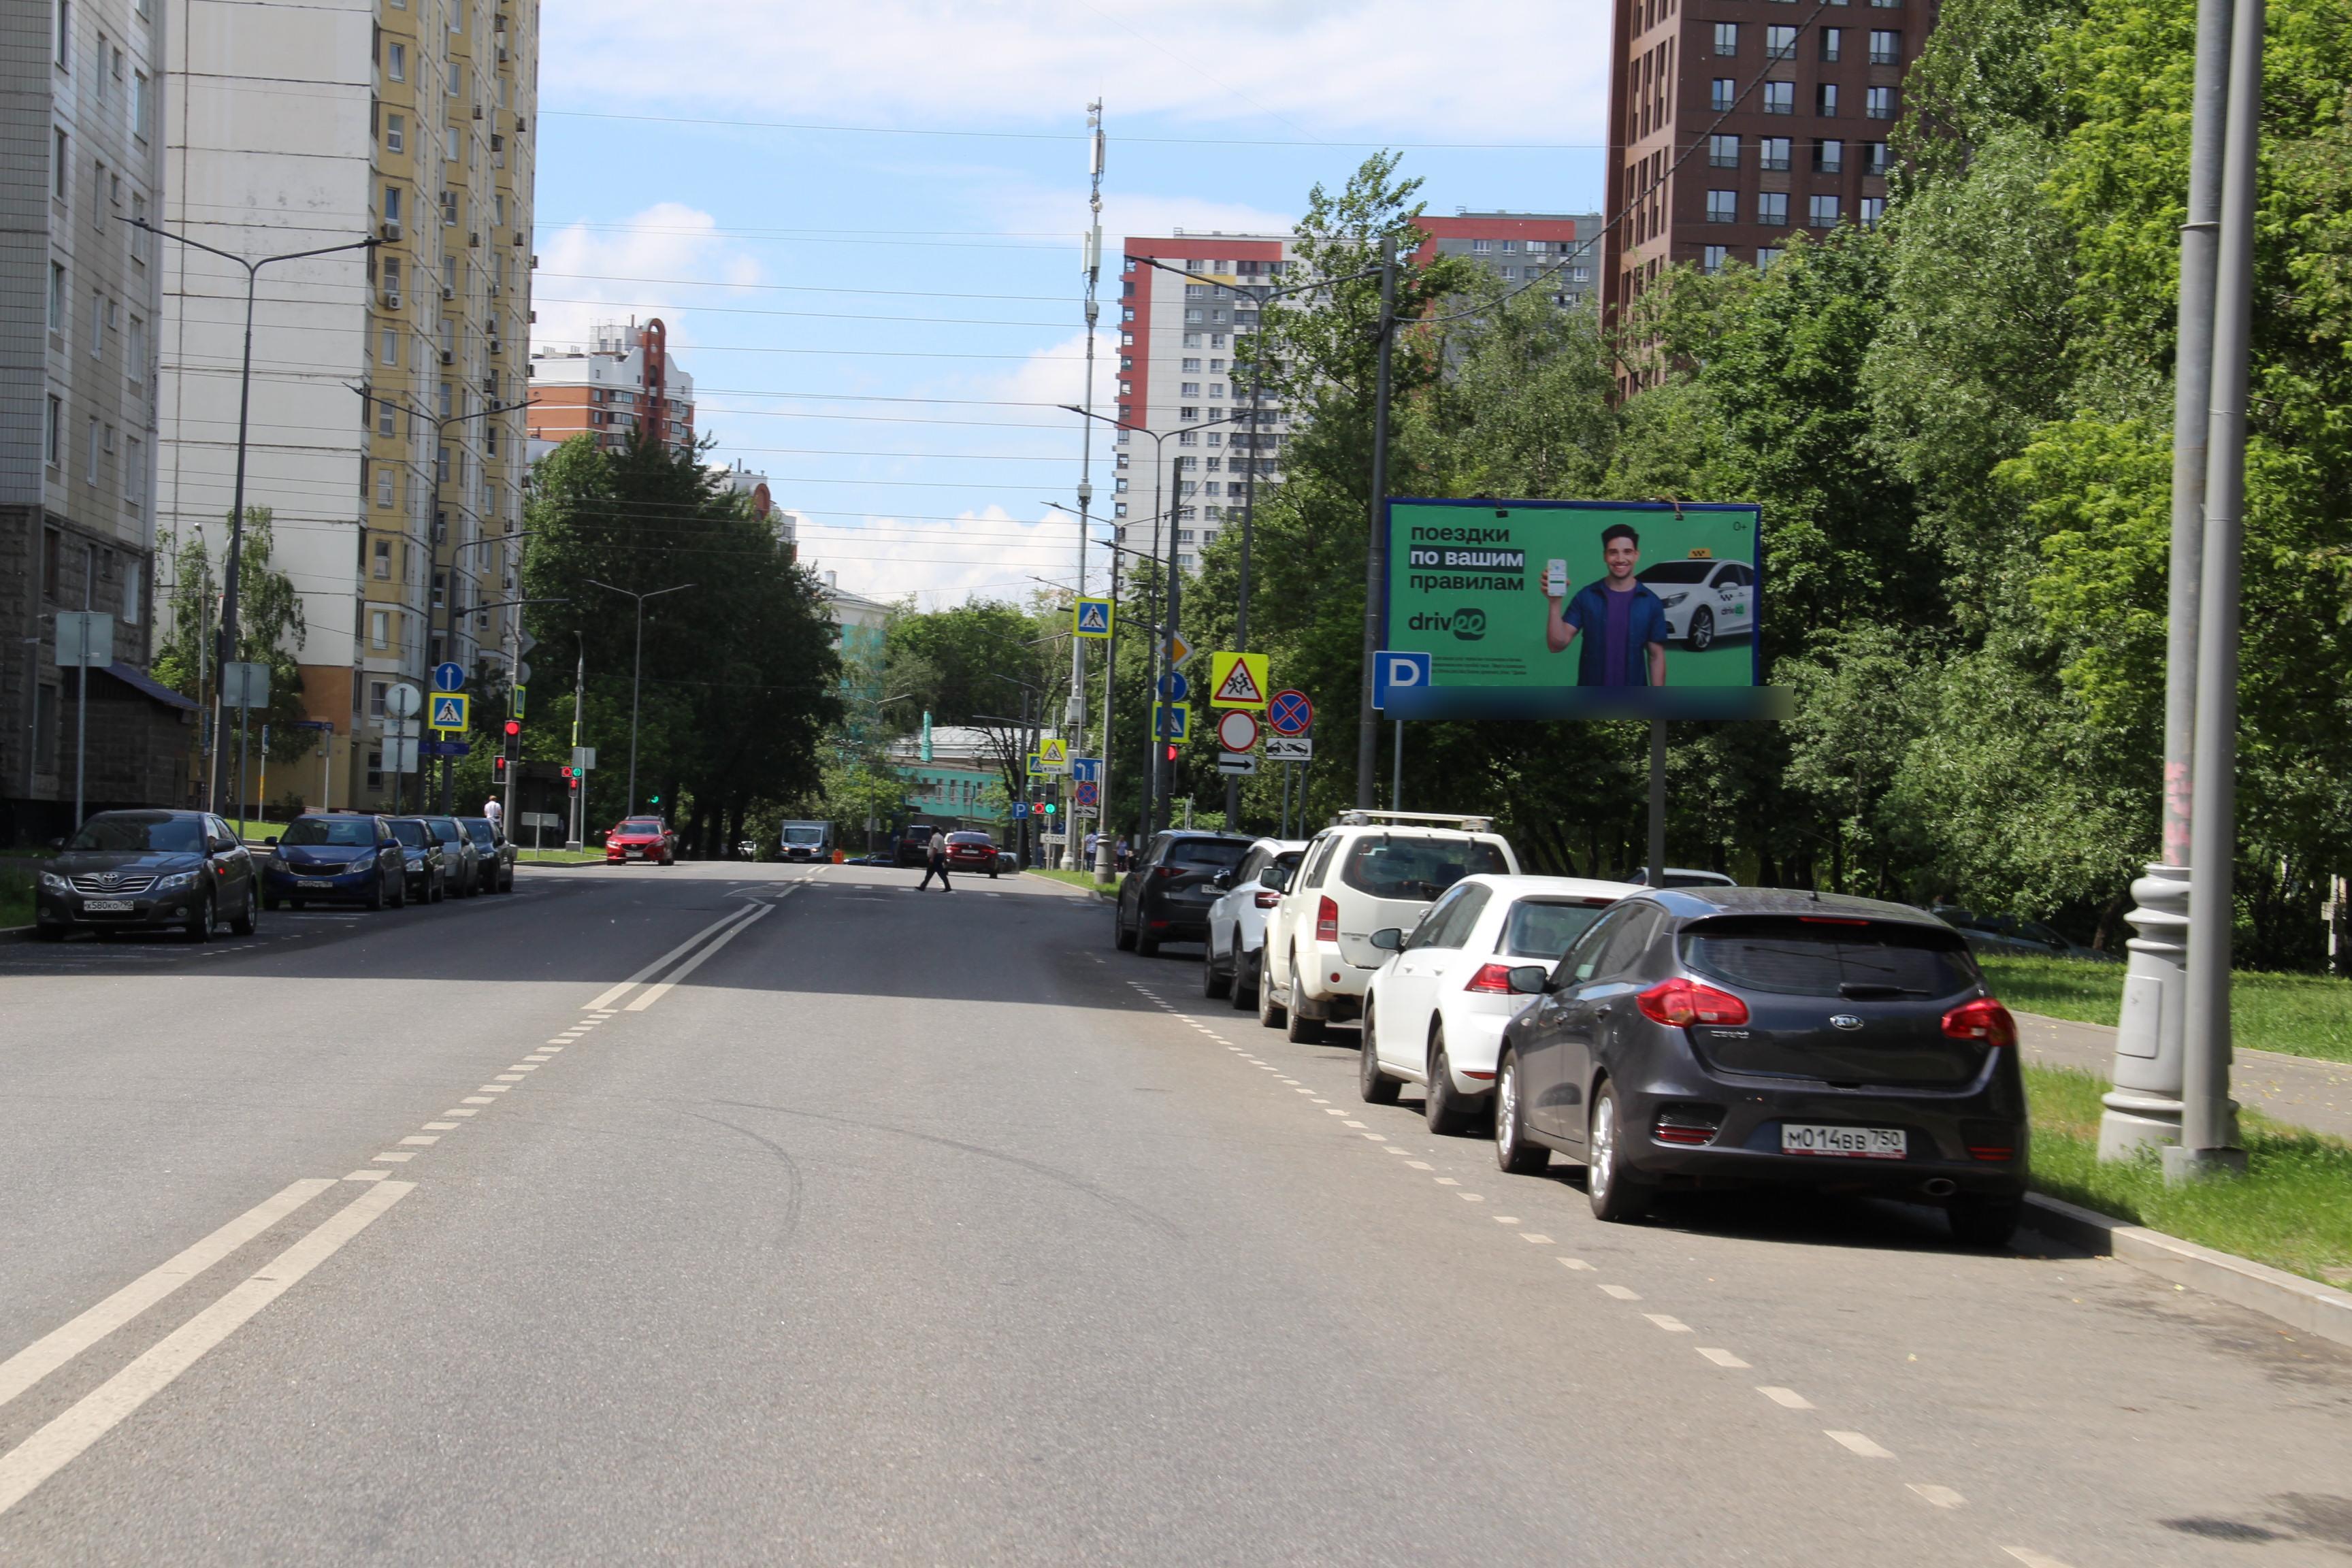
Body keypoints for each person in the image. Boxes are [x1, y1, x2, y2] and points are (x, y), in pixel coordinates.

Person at [1544, 522, 1671, 687]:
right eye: (1613, 552)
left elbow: (1656, 657)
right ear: (1605, 556)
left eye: (1627, 552)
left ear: (1636, 555)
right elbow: (1556, 645)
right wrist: (1555, 603)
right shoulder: (1587, 597)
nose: (1620, 559)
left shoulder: (1651, 602)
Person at [917, 826, 953, 891]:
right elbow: (944, 848)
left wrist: (932, 858)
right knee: (930, 872)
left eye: (930, 830)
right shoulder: (941, 837)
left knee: (940, 873)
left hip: (936, 857)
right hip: (940, 856)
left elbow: (935, 848)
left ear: (932, 831)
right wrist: (944, 857)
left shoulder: (935, 837)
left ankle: (948, 887)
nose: (930, 832)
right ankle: (923, 886)